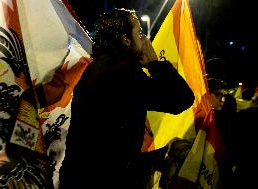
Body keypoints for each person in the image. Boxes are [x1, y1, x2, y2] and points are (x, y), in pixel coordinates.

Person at [58, 8, 195, 189]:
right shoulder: (125, 73)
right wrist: (155, 64)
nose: (144, 39)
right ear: (125, 40)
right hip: (107, 179)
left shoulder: (95, 69)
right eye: (138, 32)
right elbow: (181, 99)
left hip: (79, 176)